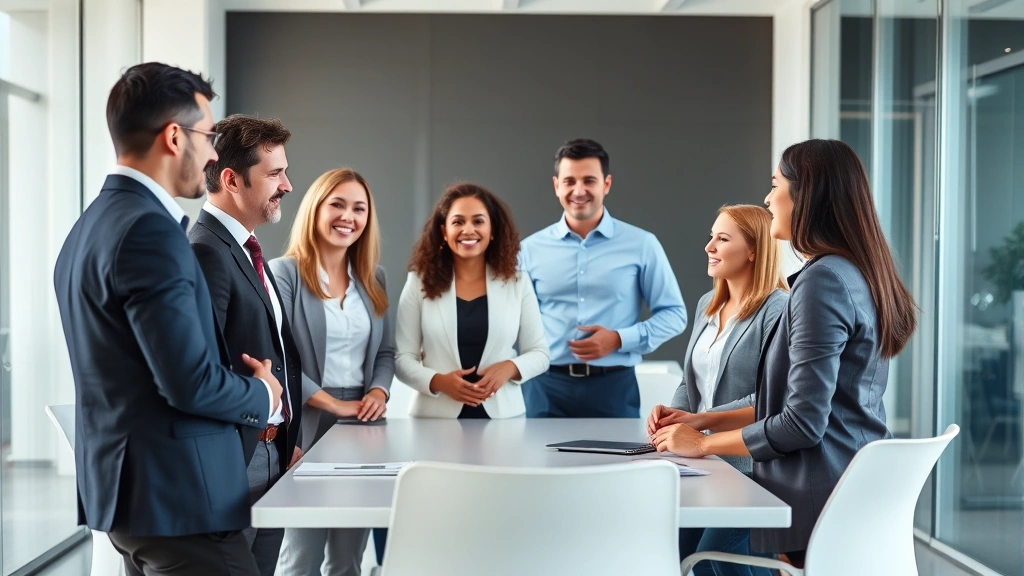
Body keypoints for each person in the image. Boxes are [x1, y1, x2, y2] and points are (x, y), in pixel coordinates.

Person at [53, 62, 284, 576]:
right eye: (207, 136)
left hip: (132, 499)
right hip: (180, 497)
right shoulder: (150, 233)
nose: (213, 152)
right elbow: (191, 383)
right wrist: (264, 395)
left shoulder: (87, 227)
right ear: (174, 137)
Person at [650, 139, 917, 568]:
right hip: (850, 485)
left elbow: (801, 424)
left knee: (692, 557)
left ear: (805, 194)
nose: (768, 198)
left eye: (776, 185)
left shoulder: (821, 280)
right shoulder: (854, 272)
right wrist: (700, 419)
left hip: (816, 493)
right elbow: (796, 405)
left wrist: (702, 445)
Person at [189, 114, 303, 576]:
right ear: (232, 180)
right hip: (236, 459)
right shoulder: (206, 251)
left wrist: (283, 437)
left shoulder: (246, 249)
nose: (288, 185)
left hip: (269, 452)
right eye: (275, 173)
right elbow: (198, 369)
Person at [646, 204, 787, 576]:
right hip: (700, 464)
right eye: (711, 236)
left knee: (711, 560)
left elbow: (771, 398)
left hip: (749, 467)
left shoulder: (778, 310)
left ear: (754, 249)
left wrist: (696, 422)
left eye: (722, 239)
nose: (709, 246)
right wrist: (670, 419)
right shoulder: (707, 305)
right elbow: (689, 382)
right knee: (677, 554)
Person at [270, 168, 395, 576]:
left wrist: (378, 392)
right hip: (307, 418)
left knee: (348, 558)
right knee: (300, 555)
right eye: (337, 204)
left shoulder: (374, 278)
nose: (348, 216)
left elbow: (386, 352)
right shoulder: (284, 273)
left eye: (359, 208)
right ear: (315, 209)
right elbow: (279, 353)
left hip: (364, 425)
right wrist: (330, 404)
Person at [520, 138, 687, 418]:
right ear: (556, 185)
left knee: (613, 463)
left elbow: (674, 315)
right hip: (543, 387)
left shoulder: (642, 244)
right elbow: (511, 320)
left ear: (606, 184)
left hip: (613, 388)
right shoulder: (529, 250)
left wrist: (619, 339)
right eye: (569, 181)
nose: (579, 190)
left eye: (589, 180)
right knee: (537, 462)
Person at [396, 182, 550, 419]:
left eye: (478, 221)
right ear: (444, 232)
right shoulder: (419, 283)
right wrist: (438, 381)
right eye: (458, 222)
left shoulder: (518, 283)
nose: (468, 230)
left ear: (493, 230)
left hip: (503, 418)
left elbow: (539, 353)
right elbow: (402, 358)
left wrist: (509, 368)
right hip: (434, 419)